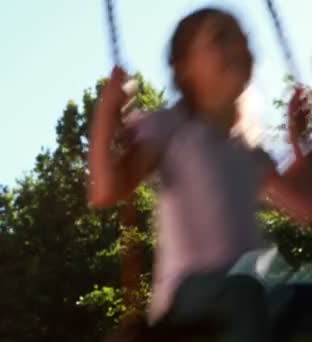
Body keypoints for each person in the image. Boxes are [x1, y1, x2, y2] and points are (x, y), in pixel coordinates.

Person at [88, 7, 312, 341]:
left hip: (252, 298)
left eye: (243, 39)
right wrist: (107, 114)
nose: (237, 47)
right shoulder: (169, 126)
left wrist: (301, 144)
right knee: (243, 291)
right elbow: (104, 191)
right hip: (189, 307)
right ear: (184, 69)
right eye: (221, 37)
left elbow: (306, 210)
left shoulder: (250, 154)